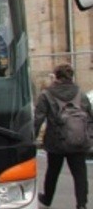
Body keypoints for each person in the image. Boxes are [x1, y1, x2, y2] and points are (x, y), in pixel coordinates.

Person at [34, 64, 91, 209]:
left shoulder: (46, 95)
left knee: (53, 171)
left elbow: (38, 119)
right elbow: (90, 117)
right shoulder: (81, 94)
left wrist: (32, 138)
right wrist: (89, 137)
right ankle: (81, 204)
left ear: (56, 77)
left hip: (55, 141)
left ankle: (47, 199)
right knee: (80, 173)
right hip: (78, 140)